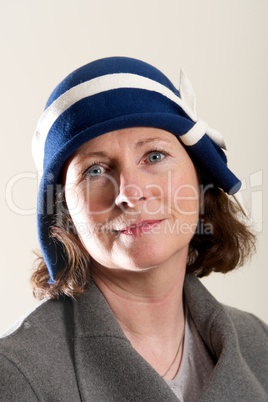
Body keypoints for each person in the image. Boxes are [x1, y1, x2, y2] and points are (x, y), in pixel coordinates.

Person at [0, 56, 267, 402]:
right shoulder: (17, 375)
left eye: (155, 156)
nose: (129, 192)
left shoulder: (258, 343)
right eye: (95, 170)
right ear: (63, 211)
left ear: (200, 179)